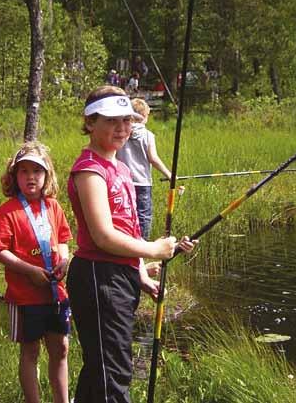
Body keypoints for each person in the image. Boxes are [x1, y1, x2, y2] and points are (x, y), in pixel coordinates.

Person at [66, 85, 197, 403]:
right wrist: (153, 249)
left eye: (127, 120)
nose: (122, 128)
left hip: (119, 278)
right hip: (99, 278)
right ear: (90, 123)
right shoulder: (90, 171)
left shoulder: (120, 168)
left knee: (101, 371)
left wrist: (140, 275)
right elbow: (103, 235)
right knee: (113, 374)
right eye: (112, 120)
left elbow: (127, 230)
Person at [0, 141, 73, 403]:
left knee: (60, 348)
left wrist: (64, 259)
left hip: (56, 293)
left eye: (36, 171)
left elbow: (63, 239)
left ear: (47, 175)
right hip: (25, 295)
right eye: (23, 171)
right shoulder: (8, 211)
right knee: (30, 351)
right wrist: (28, 270)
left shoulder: (54, 207)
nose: (30, 177)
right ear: (14, 177)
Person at [116, 98, 172, 240]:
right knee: (144, 216)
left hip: (122, 181)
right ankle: (142, 245)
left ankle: (126, 242)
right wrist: (169, 174)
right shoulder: (148, 135)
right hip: (142, 182)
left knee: (125, 214)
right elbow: (153, 158)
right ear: (144, 116)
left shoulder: (122, 133)